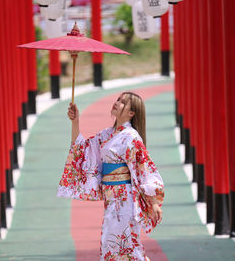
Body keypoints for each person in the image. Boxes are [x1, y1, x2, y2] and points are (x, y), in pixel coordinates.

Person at [57, 92, 164, 261]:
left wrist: (153, 201)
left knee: (125, 246)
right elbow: (84, 149)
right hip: (112, 199)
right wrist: (76, 121)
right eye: (118, 100)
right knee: (111, 246)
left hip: (125, 200)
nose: (117, 103)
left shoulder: (131, 137)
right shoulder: (108, 134)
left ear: (131, 113)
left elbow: (144, 169)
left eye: (123, 103)